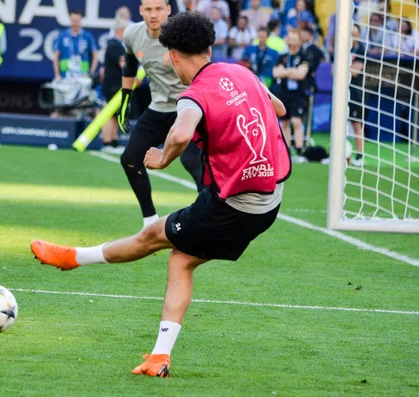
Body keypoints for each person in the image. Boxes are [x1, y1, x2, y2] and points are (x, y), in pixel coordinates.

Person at [30, 10, 291, 378]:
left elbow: (182, 134)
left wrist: (163, 158)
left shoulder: (192, 94)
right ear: (210, 46)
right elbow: (278, 108)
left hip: (235, 205)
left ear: (172, 56)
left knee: (159, 241)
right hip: (270, 197)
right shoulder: (241, 72)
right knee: (181, 257)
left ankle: (73, 259)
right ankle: (158, 356)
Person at [116, 0, 204, 228]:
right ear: (141, 11)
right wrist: (126, 97)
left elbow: (204, 68)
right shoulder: (132, 34)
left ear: (168, 10)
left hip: (188, 107)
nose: (153, 14)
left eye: (158, 9)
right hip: (158, 108)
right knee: (129, 159)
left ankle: (211, 220)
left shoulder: (181, 35)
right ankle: (150, 221)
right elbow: (130, 64)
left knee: (193, 162)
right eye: (148, 9)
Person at [273, 29, 310, 163]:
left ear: (299, 40)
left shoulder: (304, 56)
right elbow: (276, 73)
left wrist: (286, 71)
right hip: (284, 93)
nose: (293, 42)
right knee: (284, 122)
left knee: (297, 121)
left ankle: (299, 151)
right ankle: (286, 151)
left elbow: (301, 74)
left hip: (298, 94)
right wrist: (292, 72)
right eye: (291, 39)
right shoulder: (282, 56)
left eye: (295, 39)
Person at [101, 19, 130, 154]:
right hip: (113, 85)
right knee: (110, 114)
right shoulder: (115, 45)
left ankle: (113, 142)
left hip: (115, 84)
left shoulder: (115, 44)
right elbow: (123, 65)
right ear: (121, 31)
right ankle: (107, 142)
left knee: (115, 114)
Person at [53, 10, 99, 80]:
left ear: (80, 21)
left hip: (83, 76)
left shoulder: (87, 36)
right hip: (65, 75)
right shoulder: (62, 35)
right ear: (70, 20)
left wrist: (91, 73)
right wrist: (57, 74)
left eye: (77, 20)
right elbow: (56, 56)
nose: (75, 23)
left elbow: (95, 55)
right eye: (73, 20)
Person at [348, 24, 366, 166]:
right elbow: (332, 71)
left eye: (354, 33)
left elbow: (355, 72)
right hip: (341, 92)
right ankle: (338, 154)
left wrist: (343, 68)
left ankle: (360, 156)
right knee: (339, 124)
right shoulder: (342, 47)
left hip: (355, 91)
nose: (352, 35)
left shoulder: (360, 49)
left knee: (356, 124)